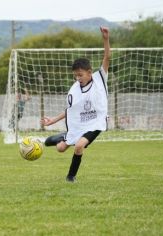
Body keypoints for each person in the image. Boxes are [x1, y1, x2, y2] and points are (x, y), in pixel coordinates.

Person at [41, 27, 110, 183]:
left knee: (79, 146)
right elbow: (71, 110)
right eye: (76, 75)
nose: (78, 78)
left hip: (96, 123)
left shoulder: (100, 79)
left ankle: (70, 177)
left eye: (80, 75)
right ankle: (59, 137)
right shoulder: (75, 90)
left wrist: (106, 39)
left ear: (89, 72)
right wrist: (52, 121)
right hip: (79, 124)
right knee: (60, 149)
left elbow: (107, 57)